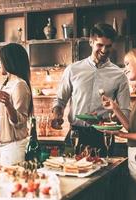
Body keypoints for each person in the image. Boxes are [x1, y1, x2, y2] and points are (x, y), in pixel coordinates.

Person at [51, 23, 130, 156]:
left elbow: (125, 111)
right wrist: (56, 115)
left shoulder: (120, 75)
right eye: (100, 45)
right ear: (91, 42)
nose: (104, 50)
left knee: (103, 174)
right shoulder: (73, 69)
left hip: (103, 136)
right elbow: (60, 100)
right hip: (75, 133)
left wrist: (112, 119)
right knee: (70, 173)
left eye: (108, 46)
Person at [101, 47, 136, 200]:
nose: (124, 69)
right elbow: (134, 129)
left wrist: (121, 134)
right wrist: (116, 108)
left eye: (127, 64)